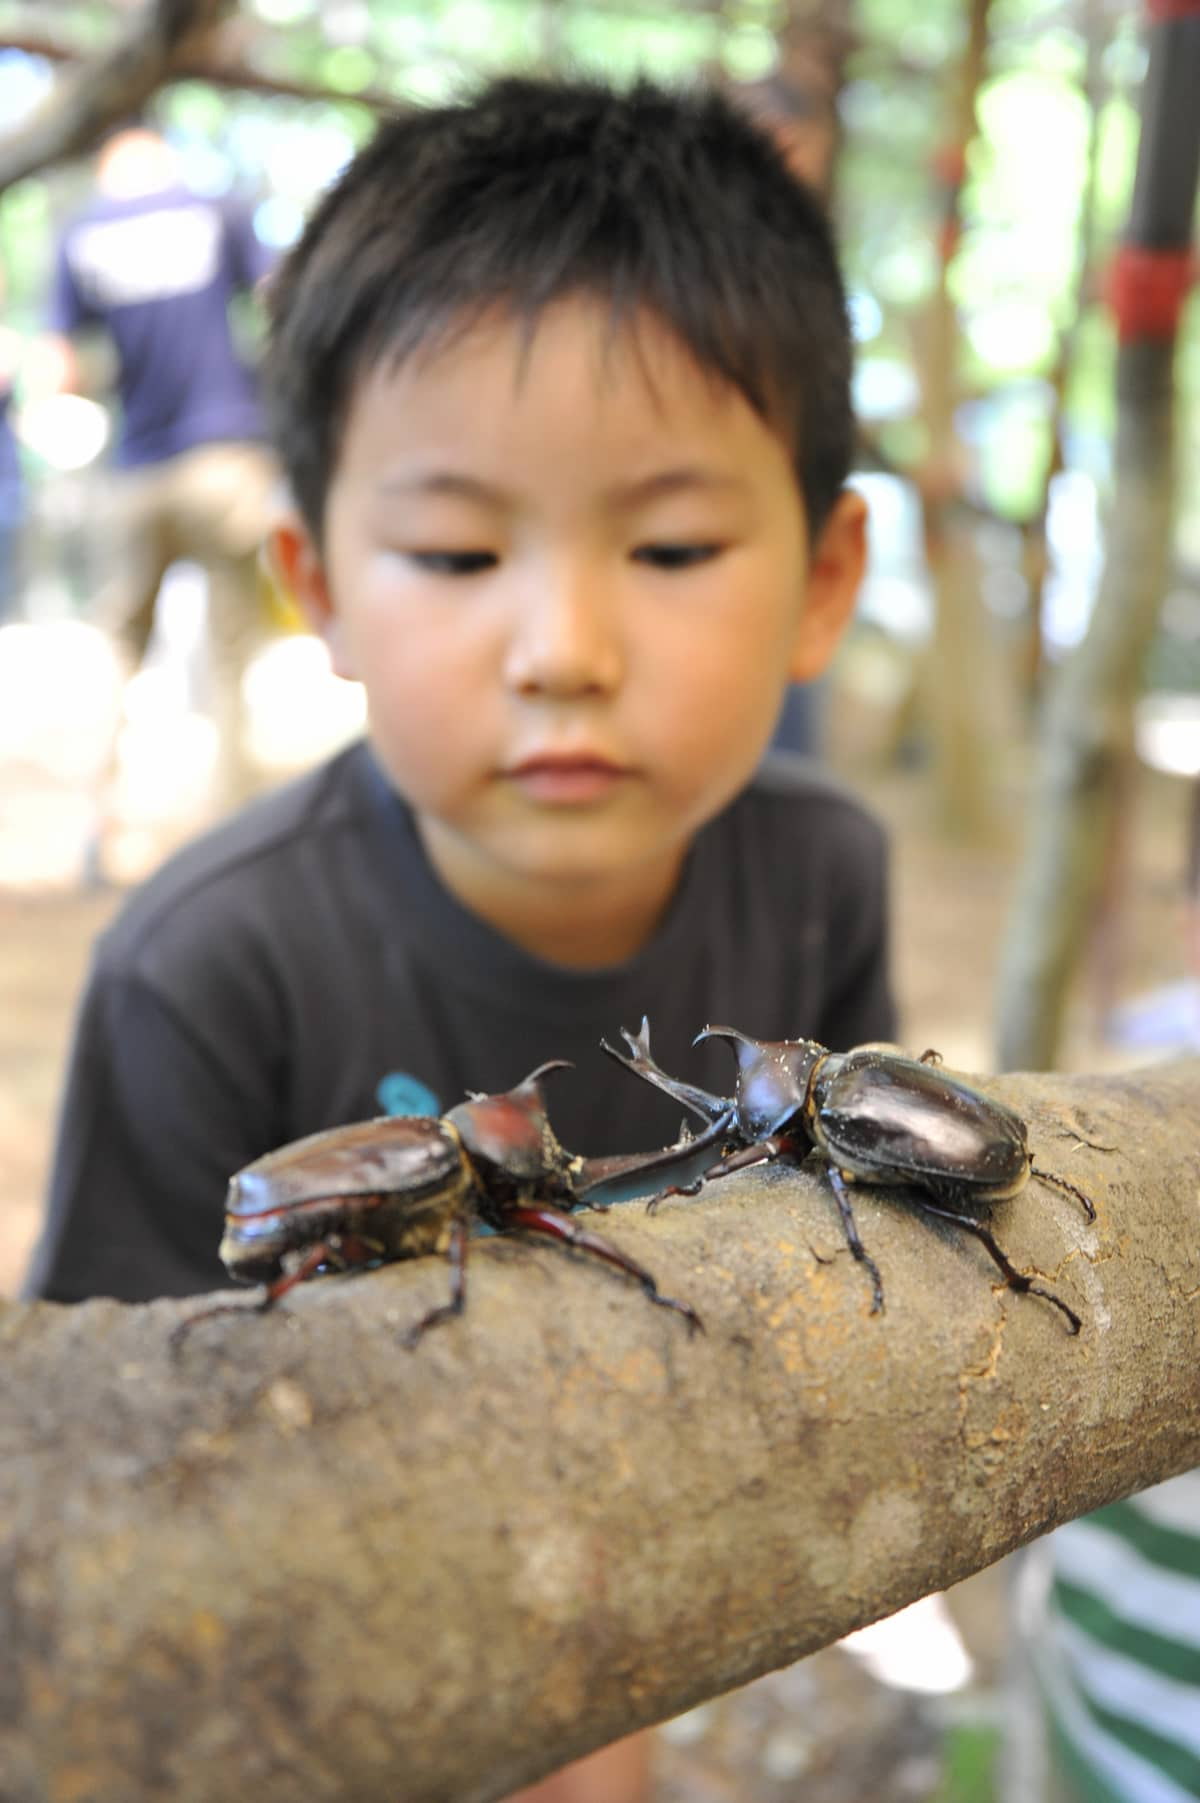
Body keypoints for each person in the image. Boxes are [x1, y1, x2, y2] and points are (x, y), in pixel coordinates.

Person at [24, 74, 893, 1801]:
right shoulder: (200, 966)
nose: (561, 643)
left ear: (821, 574)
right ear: (319, 583)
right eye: (454, 547)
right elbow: (111, 1435)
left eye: (668, 541)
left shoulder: (825, 878)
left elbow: (839, 1228)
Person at [40, 117, 279, 833]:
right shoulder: (218, 211)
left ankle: (95, 822)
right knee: (235, 642)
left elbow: (58, 366)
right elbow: (280, 303)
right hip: (228, 460)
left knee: (119, 643)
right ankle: (240, 820)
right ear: (160, 154)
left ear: (110, 161)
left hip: (137, 470)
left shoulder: (80, 236)